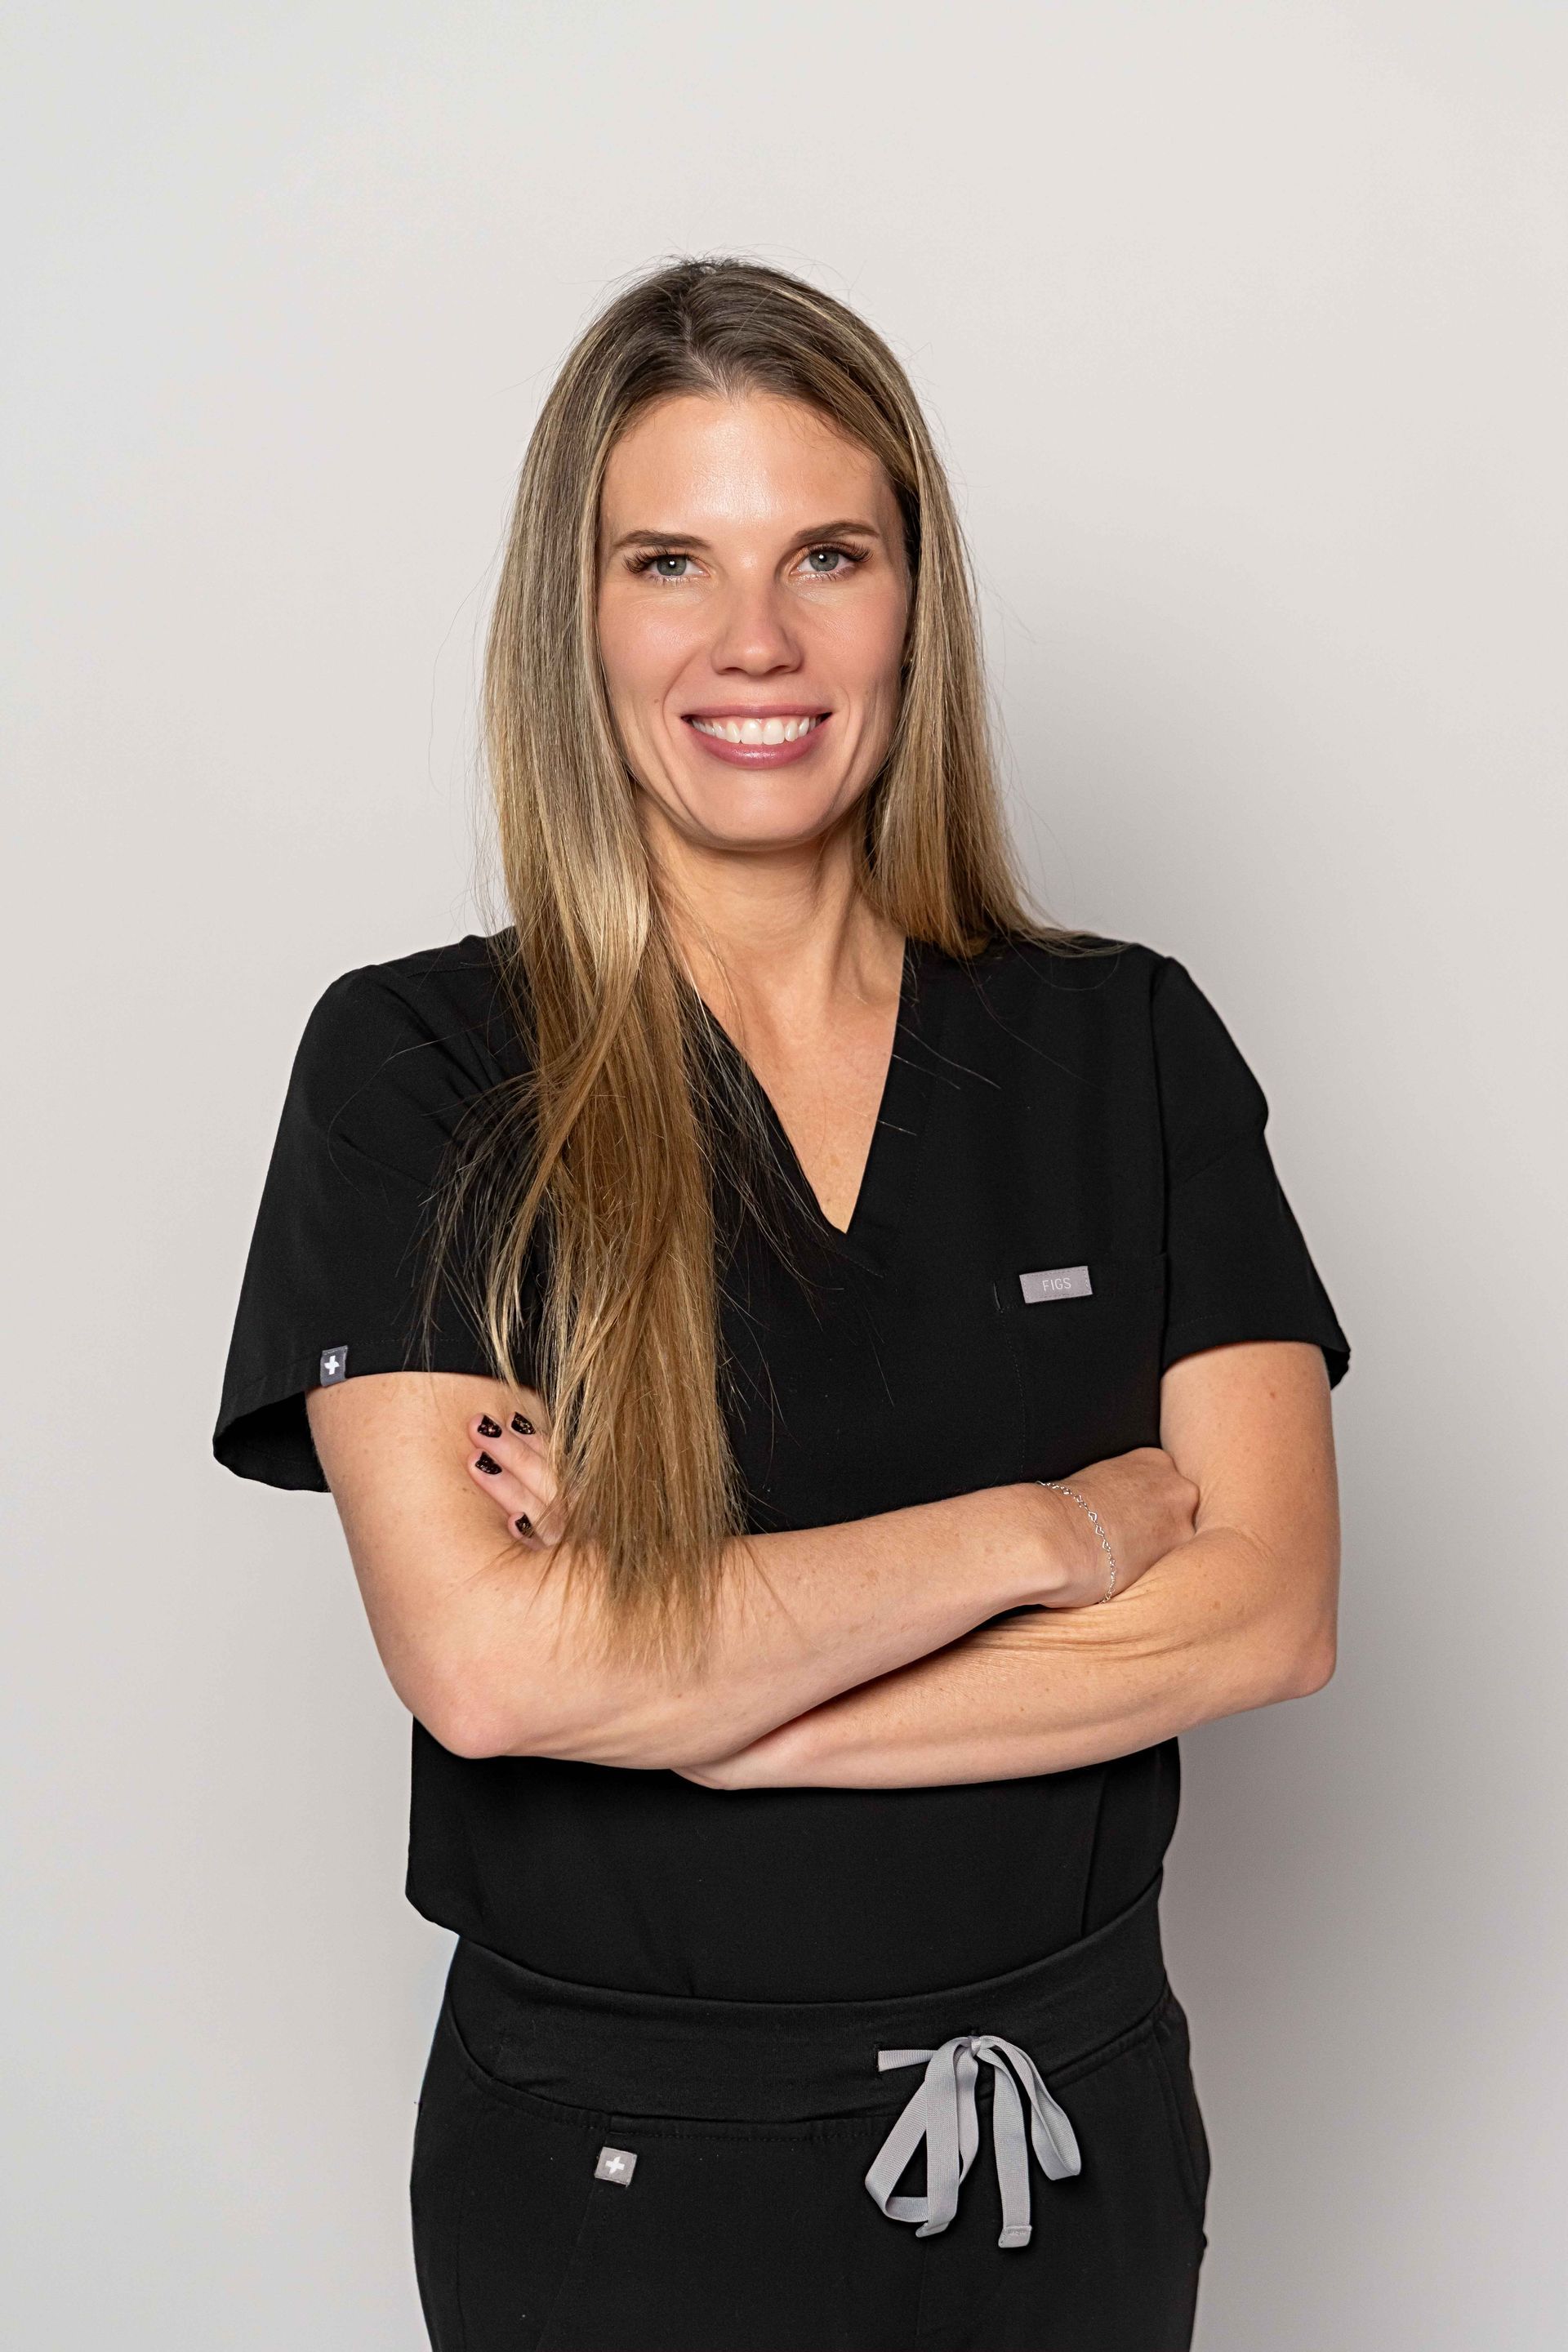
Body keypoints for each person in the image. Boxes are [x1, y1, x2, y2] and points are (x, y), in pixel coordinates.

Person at [212, 256, 1351, 2352]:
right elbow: (489, 1670)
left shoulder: (1129, 1043)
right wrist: (1054, 1537)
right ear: (582, 616)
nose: (758, 641)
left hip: (1067, 2161)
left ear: (917, 596)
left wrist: (725, 1705)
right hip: (616, 2193)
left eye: (827, 552)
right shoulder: (425, 1071)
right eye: (674, 561)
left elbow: (1271, 1610)